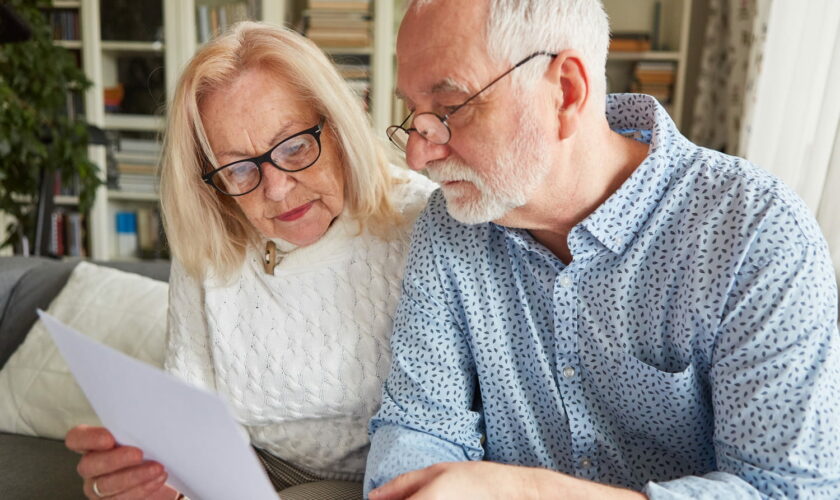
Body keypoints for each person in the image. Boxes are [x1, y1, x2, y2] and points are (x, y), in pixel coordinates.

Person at [364, 1, 840, 499]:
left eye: (450, 109)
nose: (419, 155)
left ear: (565, 92)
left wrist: (531, 493)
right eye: (414, 115)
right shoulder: (448, 227)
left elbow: (787, 491)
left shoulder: (754, 231)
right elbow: (419, 424)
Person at [63, 22, 436, 500]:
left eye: (296, 145)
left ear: (340, 125)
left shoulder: (422, 222)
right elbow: (192, 413)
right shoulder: (212, 240)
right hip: (250, 476)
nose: (276, 189)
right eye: (238, 167)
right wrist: (163, 485)